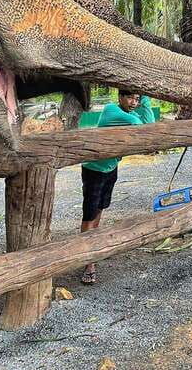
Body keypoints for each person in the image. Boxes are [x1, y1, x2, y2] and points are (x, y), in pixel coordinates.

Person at [80, 90, 155, 284]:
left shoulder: (130, 114)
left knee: (99, 210)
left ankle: (93, 246)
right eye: (130, 97)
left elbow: (150, 125)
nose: (133, 102)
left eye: (137, 99)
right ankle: (87, 260)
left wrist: (145, 98)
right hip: (94, 169)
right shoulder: (111, 110)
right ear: (120, 97)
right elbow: (141, 125)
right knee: (89, 215)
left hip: (110, 167)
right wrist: (138, 109)